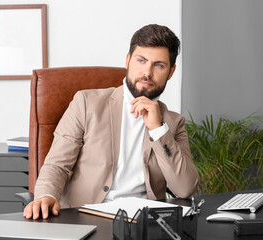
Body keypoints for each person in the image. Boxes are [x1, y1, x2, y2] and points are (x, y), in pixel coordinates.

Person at [24, 24, 200, 220]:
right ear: (128, 60)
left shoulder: (173, 123)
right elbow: (57, 165)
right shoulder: (86, 103)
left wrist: (158, 130)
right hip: (86, 217)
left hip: (145, 224)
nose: (147, 72)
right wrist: (46, 196)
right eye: (141, 60)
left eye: (159, 65)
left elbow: (185, 188)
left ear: (171, 71)